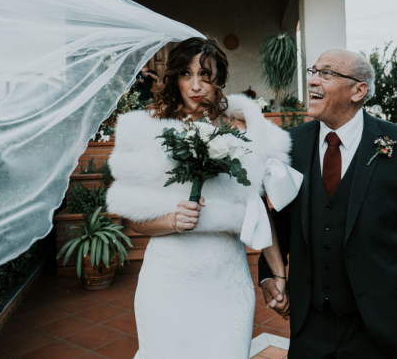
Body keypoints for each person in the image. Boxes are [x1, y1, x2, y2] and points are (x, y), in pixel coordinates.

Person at [258, 50, 397, 359]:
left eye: (326, 73)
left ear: (358, 90)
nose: (312, 80)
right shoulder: (290, 145)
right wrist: (268, 274)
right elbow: (281, 222)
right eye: (313, 71)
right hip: (310, 323)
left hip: (384, 323)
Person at [106, 37, 295, 359]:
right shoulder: (145, 131)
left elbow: (258, 208)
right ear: (174, 78)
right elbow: (132, 220)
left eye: (205, 76)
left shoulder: (244, 131)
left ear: (219, 79)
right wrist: (169, 220)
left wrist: (278, 274)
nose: (196, 85)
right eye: (186, 74)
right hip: (168, 278)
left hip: (225, 278)